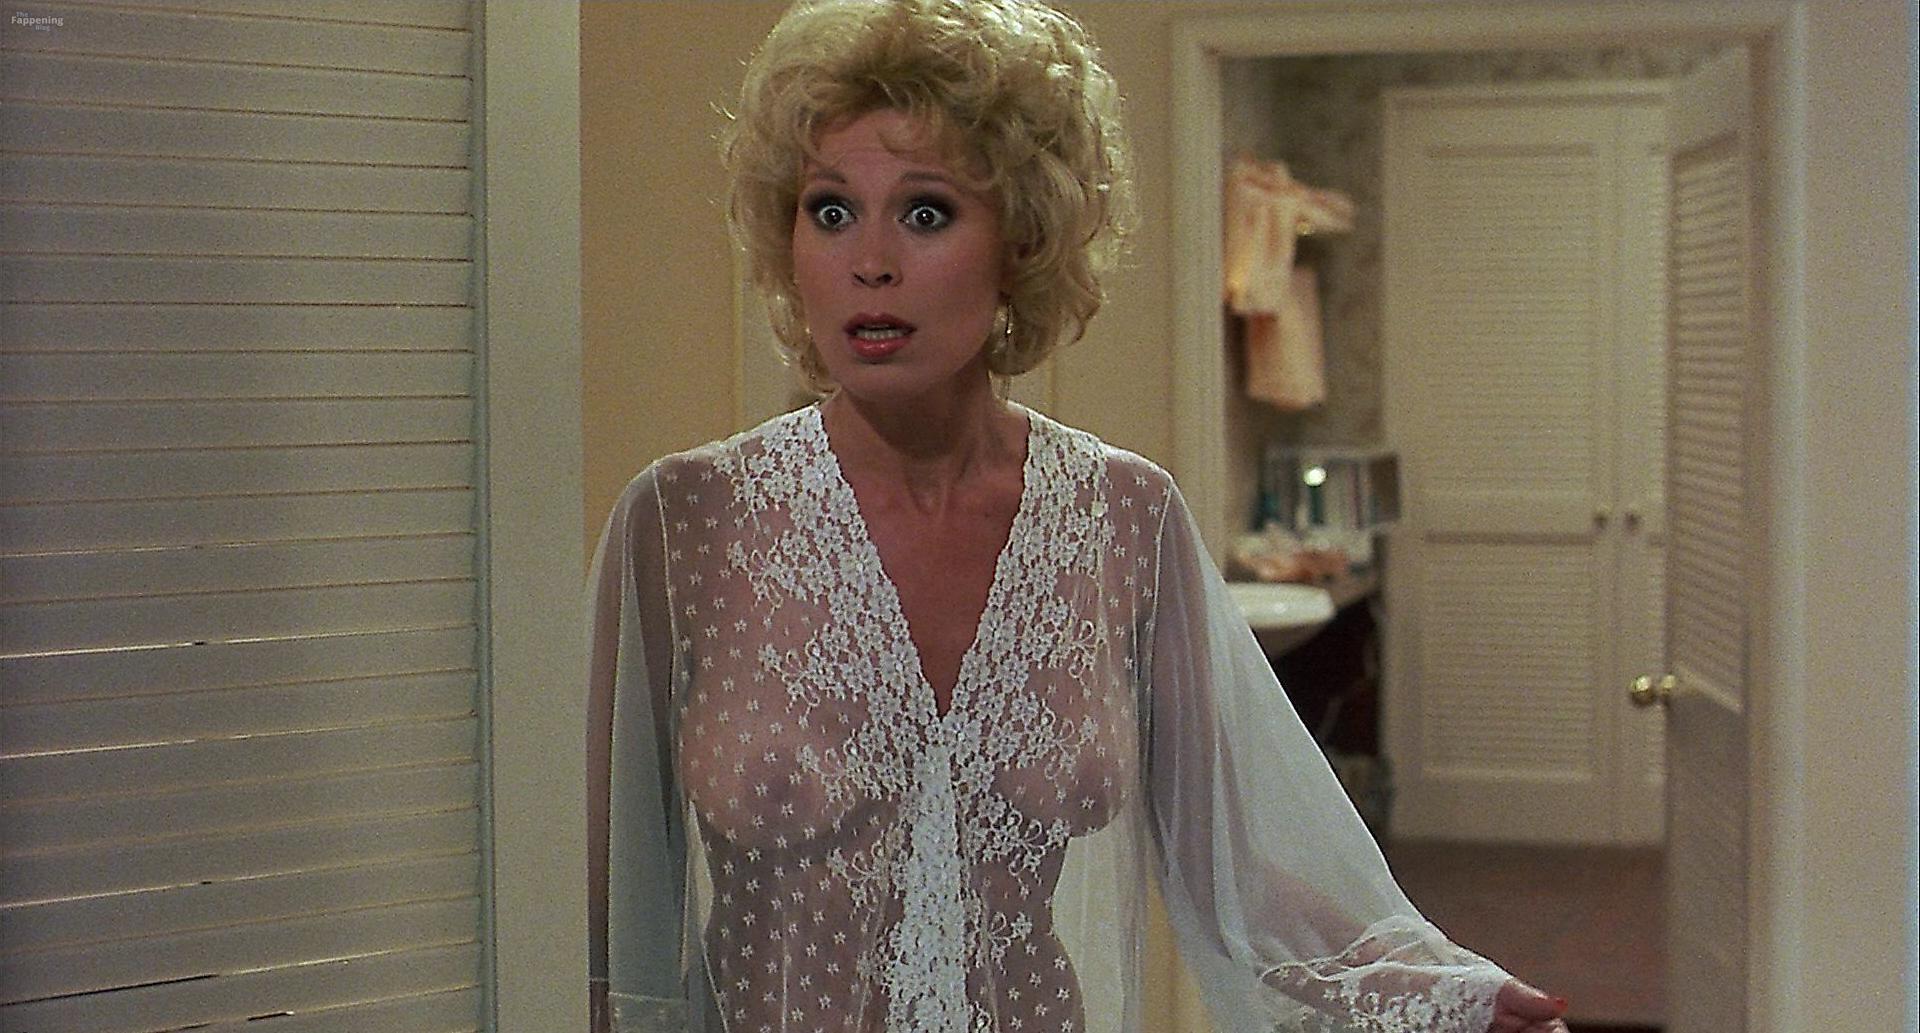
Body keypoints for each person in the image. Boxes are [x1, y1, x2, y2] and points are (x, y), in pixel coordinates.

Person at [588, 2, 1573, 1031]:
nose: (869, 260)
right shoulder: (685, 519)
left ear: (1020, 240)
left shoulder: (1120, 516)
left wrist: (1447, 1000)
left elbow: (1243, 869)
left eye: (925, 213)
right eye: (831, 210)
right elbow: (594, 921)